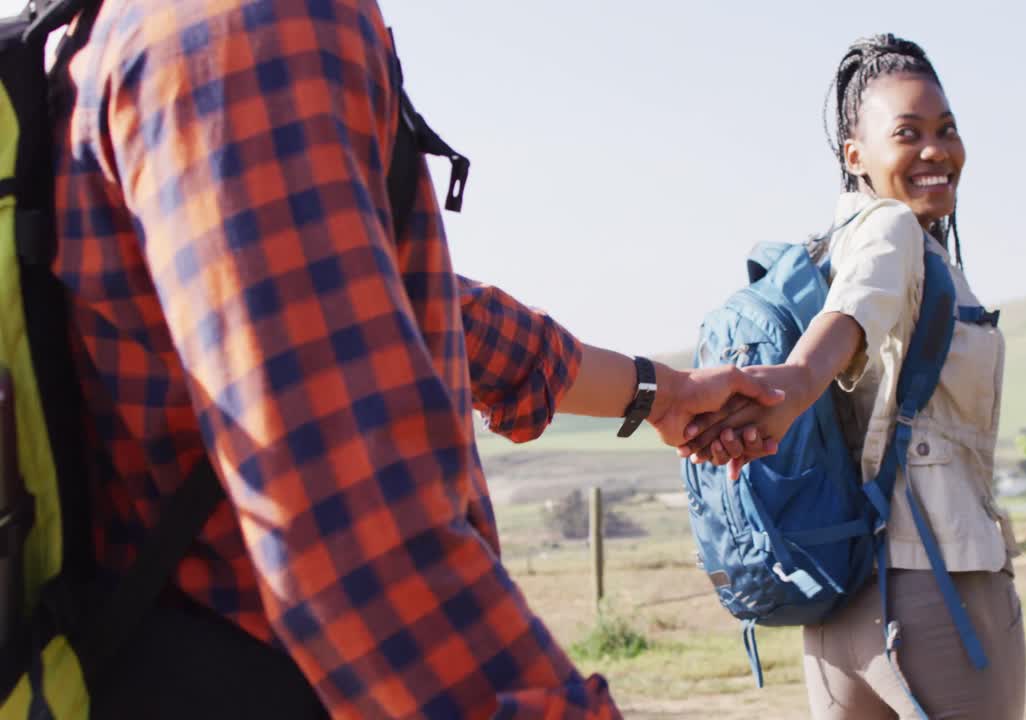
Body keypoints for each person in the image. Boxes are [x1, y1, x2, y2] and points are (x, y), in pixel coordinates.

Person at [48, 0, 783, 716]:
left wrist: (659, 392)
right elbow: (358, 540)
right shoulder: (254, 27)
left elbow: (388, 301)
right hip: (277, 677)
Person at [680, 34, 1026, 719]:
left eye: (946, 129)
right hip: (938, 591)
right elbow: (848, 318)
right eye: (908, 133)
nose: (936, 149)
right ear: (855, 156)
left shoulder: (841, 244)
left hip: (841, 606)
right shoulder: (890, 230)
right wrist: (793, 385)